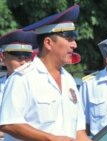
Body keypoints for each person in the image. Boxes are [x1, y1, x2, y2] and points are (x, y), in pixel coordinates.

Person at [0, 5, 91, 141]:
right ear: (48, 43)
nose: (74, 45)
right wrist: (50, 139)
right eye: (69, 39)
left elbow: (78, 132)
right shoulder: (23, 78)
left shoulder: (69, 80)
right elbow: (9, 123)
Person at [0, 29, 37, 140]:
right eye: (19, 58)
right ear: (3, 58)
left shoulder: (38, 85)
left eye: (27, 58)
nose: (23, 63)